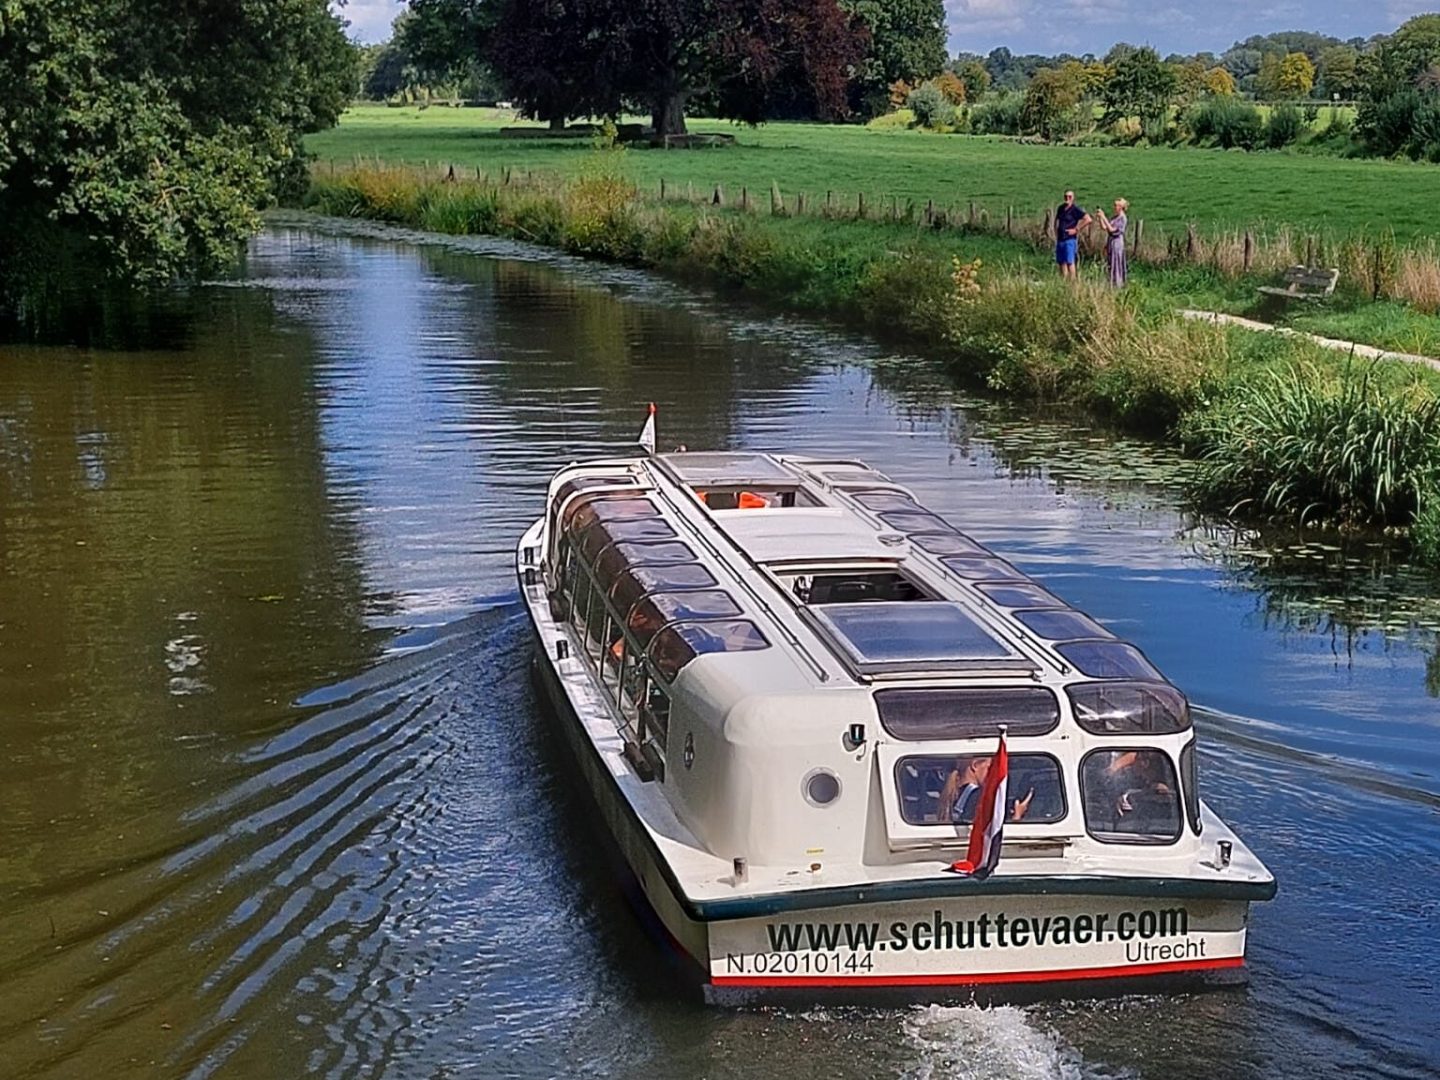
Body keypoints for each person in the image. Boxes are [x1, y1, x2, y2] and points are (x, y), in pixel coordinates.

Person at [937, 755, 1033, 824]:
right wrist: (1017, 815)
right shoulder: (980, 797)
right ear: (975, 766)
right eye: (989, 767)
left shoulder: (954, 794)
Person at [1054, 190, 1091, 279]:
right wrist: (1055, 230)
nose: (1067, 198)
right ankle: (1064, 281)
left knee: (1070, 261)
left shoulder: (1075, 210)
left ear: (1073, 198)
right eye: (1066, 196)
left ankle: (1073, 281)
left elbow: (1088, 219)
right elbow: (1057, 220)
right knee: (1061, 261)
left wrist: (1076, 229)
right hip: (1060, 239)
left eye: (1070, 197)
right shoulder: (1061, 208)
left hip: (1069, 239)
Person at [1096, 198, 1129, 287]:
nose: (1114, 207)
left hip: (1117, 243)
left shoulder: (1123, 218)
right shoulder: (1114, 217)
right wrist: (1100, 218)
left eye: (1116, 205)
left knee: (1116, 263)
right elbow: (1105, 227)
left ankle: (1118, 284)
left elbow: (1112, 229)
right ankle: (1111, 282)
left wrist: (1103, 217)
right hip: (1111, 242)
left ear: (1121, 207)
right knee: (1110, 263)